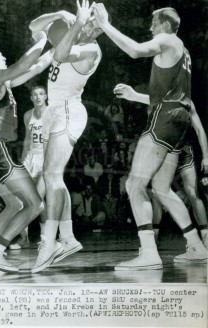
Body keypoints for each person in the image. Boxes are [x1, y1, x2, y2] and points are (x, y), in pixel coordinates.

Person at [93, 5, 207, 269]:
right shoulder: (183, 52)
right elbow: (169, 98)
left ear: (165, 25)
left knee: (134, 184)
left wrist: (106, 24)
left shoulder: (166, 39)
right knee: (161, 188)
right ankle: (197, 246)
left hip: (164, 120)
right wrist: (135, 95)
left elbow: (135, 50)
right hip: (179, 124)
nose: (150, 28)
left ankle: (148, 253)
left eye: (154, 23)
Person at [29, 0, 104, 273]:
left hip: (70, 110)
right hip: (54, 111)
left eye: (95, 26)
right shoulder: (73, 30)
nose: (91, 28)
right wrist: (59, 14)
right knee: (54, 177)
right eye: (90, 22)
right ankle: (68, 237)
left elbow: (60, 55)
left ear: (98, 31)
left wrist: (77, 24)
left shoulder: (90, 49)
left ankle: (49, 244)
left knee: (51, 176)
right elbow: (34, 27)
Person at [0, 32, 53, 272]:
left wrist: (59, 44)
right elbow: (24, 63)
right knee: (35, 205)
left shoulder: (1, 82)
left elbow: (36, 66)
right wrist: (43, 38)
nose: (3, 56)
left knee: (13, 205)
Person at [152, 101, 208, 249]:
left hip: (183, 150)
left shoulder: (187, 102)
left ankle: (205, 238)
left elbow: (200, 130)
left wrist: (206, 156)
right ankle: (153, 241)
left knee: (192, 193)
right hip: (164, 149)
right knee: (157, 194)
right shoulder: (159, 97)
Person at [9, 85, 48, 250]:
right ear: (31, 98)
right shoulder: (27, 115)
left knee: (38, 199)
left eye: (41, 94)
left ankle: (46, 239)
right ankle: (24, 238)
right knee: (23, 199)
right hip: (30, 158)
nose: (38, 97)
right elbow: (27, 139)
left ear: (46, 96)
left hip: (46, 158)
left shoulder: (52, 113)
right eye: (34, 95)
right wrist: (23, 159)